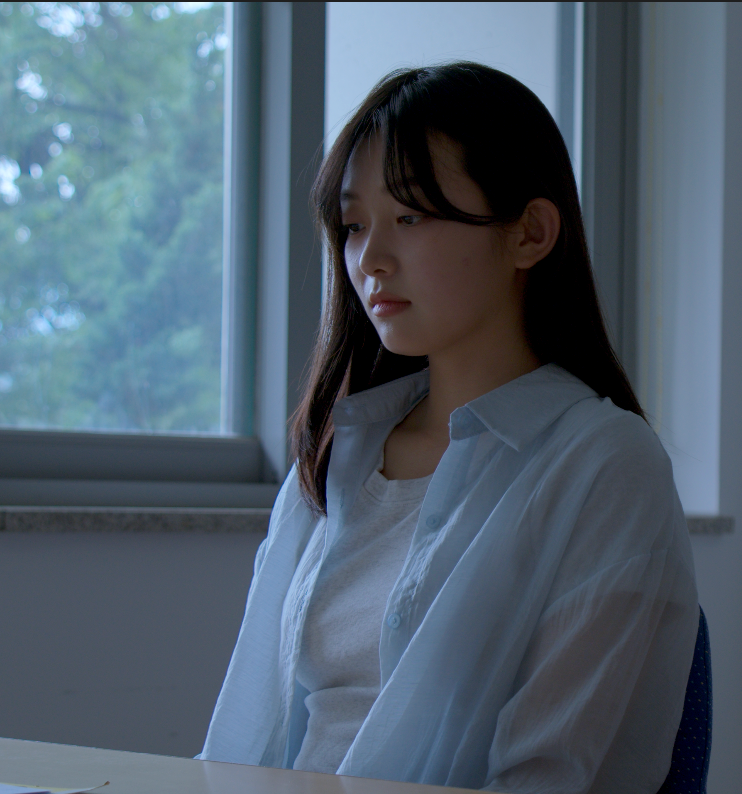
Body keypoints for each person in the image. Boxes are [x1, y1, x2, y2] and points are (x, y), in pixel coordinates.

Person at [199, 62, 700, 794]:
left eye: (411, 216)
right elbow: (252, 735)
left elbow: (549, 775)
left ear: (530, 233)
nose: (370, 259)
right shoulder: (341, 455)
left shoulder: (604, 464)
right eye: (354, 225)